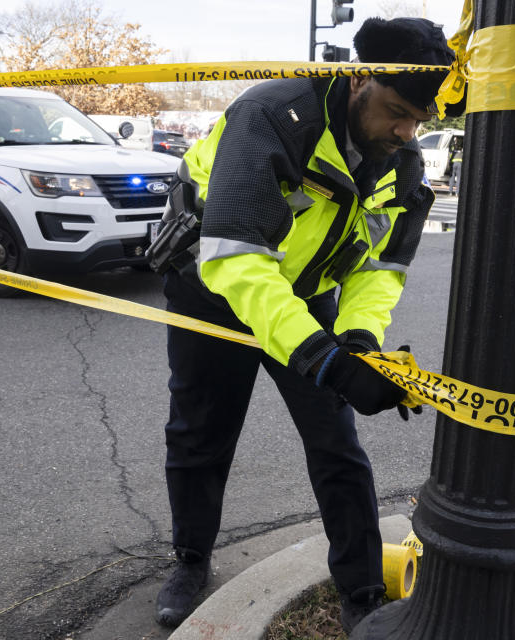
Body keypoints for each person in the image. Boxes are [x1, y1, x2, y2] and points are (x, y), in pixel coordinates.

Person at [148, 16, 463, 634]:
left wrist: (359, 342)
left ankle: (363, 588)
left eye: (418, 121)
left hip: (307, 295)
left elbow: (381, 265)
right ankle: (191, 561)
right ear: (356, 80)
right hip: (213, 288)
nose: (405, 132)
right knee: (199, 433)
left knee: (336, 444)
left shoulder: (400, 159)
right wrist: (322, 359)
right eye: (396, 110)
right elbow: (235, 258)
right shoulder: (272, 116)